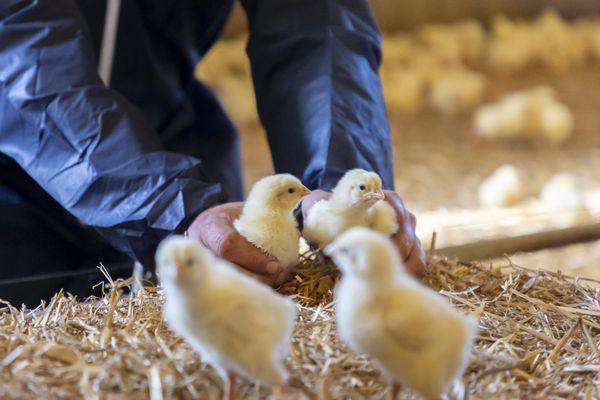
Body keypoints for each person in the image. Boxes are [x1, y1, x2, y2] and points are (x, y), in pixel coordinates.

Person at [0, 0, 425, 306]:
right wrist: (172, 208)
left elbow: (318, 23)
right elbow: (25, 53)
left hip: (173, 147)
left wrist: (339, 190)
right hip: (16, 180)